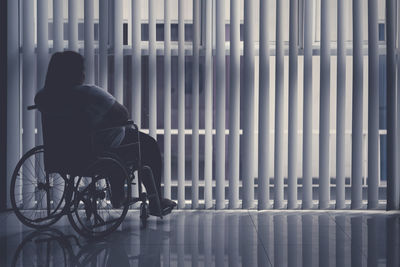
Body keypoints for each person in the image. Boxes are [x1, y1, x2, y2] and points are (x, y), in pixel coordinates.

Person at [35, 51, 176, 215]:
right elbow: (123, 114)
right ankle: (154, 200)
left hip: (64, 155)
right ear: (75, 72)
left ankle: (118, 193)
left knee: (116, 146)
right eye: (81, 69)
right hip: (94, 152)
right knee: (146, 145)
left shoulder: (43, 97)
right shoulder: (88, 93)